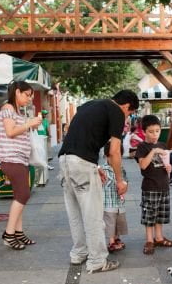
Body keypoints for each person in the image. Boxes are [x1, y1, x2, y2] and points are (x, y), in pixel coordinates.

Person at [59, 89, 138, 273]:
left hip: (65, 161)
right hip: (82, 164)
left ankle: (78, 254)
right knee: (93, 216)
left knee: (75, 214)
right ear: (126, 106)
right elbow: (114, 151)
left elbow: (79, 134)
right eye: (130, 113)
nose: (127, 118)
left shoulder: (90, 105)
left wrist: (95, 167)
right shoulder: (116, 111)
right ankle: (97, 261)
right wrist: (120, 180)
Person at [0, 81, 43, 250]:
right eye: (27, 95)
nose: (29, 98)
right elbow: (10, 132)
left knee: (19, 196)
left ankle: (18, 232)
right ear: (17, 92)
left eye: (30, 95)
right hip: (12, 158)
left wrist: (28, 123)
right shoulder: (8, 109)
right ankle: (9, 234)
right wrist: (29, 124)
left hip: (19, 159)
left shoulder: (15, 111)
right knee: (23, 195)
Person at [136, 114, 172, 255]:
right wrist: (153, 151)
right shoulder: (142, 147)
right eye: (151, 131)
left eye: (157, 131)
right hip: (150, 187)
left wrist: (169, 168)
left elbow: (166, 163)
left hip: (163, 185)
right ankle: (149, 240)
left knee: (160, 214)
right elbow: (143, 165)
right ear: (144, 131)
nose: (155, 135)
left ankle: (159, 237)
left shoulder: (163, 145)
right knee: (149, 215)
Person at [102, 140, 128, 253]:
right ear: (106, 156)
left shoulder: (122, 169)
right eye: (112, 157)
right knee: (110, 223)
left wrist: (125, 186)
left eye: (119, 157)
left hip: (119, 203)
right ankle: (111, 241)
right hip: (108, 203)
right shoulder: (103, 170)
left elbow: (126, 182)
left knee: (118, 222)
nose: (116, 160)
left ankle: (117, 238)